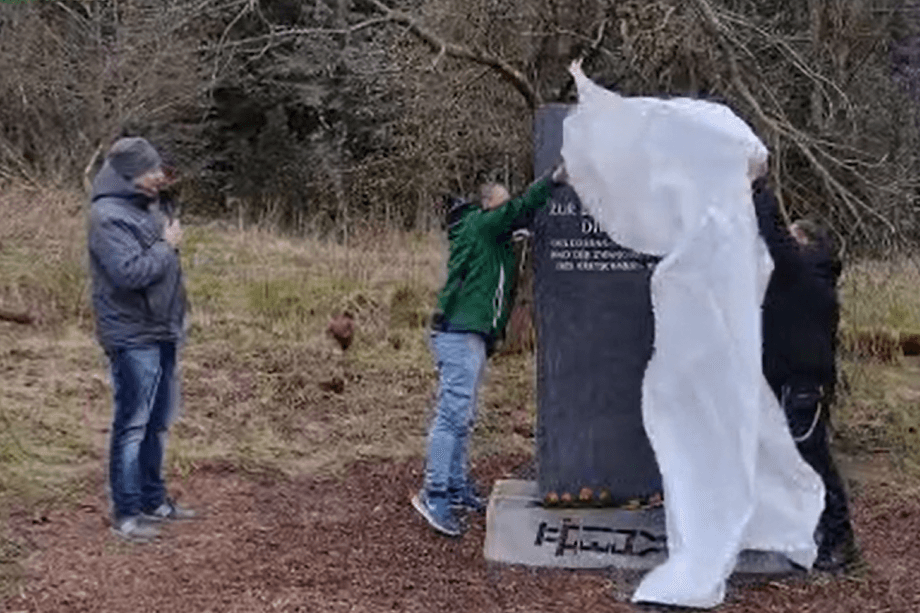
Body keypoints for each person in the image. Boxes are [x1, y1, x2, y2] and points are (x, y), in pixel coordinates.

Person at [412, 166, 567, 536]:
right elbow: (518, 209)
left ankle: (455, 486)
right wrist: (555, 178)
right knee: (452, 415)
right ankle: (434, 494)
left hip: (471, 334)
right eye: (502, 205)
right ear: (487, 207)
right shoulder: (481, 226)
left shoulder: (490, 240)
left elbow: (514, 227)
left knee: (463, 416)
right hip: (459, 332)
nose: (508, 211)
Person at [88, 136, 195, 542]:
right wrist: (167, 247)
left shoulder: (149, 205)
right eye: (152, 171)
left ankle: (154, 501)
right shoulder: (107, 215)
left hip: (163, 329)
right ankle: (127, 514)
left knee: (157, 423)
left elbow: (162, 266)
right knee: (132, 424)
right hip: (131, 335)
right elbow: (128, 272)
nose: (159, 177)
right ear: (131, 173)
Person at [753, 177, 858, 572]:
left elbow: (775, 239)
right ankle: (808, 531)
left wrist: (759, 187)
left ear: (810, 247)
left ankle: (840, 539)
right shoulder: (794, 279)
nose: (787, 242)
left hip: (804, 385)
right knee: (793, 458)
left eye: (796, 237)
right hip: (787, 379)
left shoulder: (806, 276)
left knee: (811, 457)